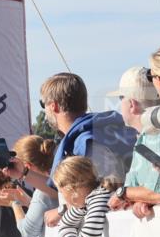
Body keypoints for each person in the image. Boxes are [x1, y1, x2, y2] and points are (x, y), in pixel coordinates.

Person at [38, 72, 136, 227]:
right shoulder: (107, 130)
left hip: (113, 236)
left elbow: (110, 189)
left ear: (53, 106)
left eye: (43, 104)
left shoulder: (86, 143)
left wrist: (62, 211)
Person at [108, 63, 160, 218]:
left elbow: (157, 191)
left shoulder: (153, 139)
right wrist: (137, 199)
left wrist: (123, 194)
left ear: (131, 104)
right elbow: (144, 191)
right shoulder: (143, 141)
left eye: (121, 98)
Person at [53, 157, 119, 237]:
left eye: (62, 192)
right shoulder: (82, 205)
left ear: (71, 190)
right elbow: (64, 224)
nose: (63, 197)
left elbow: (90, 236)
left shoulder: (100, 197)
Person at [3, 135, 59, 237]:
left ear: (27, 166)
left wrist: (14, 203)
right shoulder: (65, 174)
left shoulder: (42, 194)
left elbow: (27, 232)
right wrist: (30, 202)